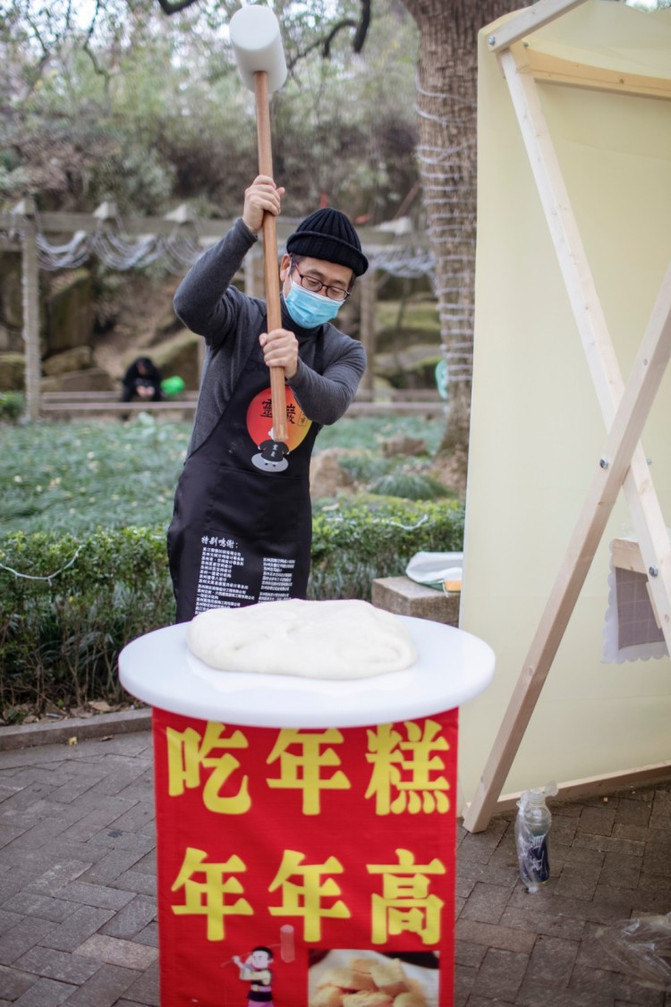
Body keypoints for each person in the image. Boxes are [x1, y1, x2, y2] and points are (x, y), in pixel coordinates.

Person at [167, 174, 368, 622]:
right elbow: (189, 305)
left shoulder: (343, 351)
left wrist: (296, 370)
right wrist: (245, 230)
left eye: (336, 288)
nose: (322, 294)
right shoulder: (239, 317)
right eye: (313, 279)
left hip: (282, 518)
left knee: (276, 639)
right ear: (285, 268)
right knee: (206, 636)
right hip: (215, 510)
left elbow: (331, 405)